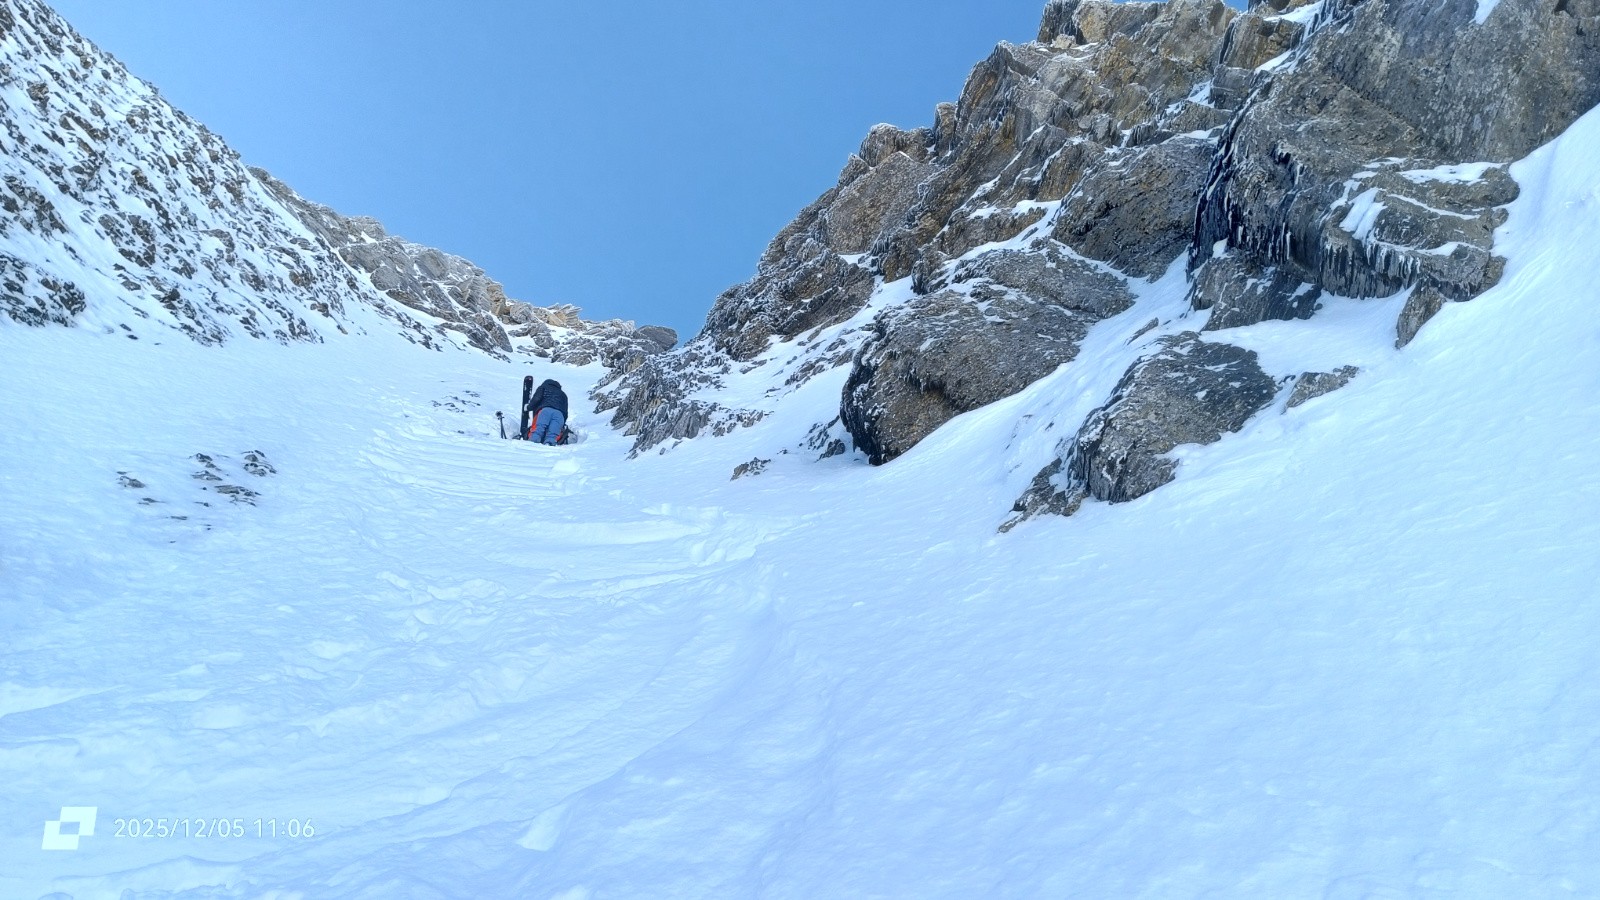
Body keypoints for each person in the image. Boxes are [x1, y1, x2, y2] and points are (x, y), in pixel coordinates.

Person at [525, 378, 569, 445]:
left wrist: (528, 407)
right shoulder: (563, 394)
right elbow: (565, 411)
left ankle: (533, 442)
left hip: (545, 410)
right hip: (559, 414)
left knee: (538, 429)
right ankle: (549, 443)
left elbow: (536, 399)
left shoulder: (543, 387)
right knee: (553, 433)